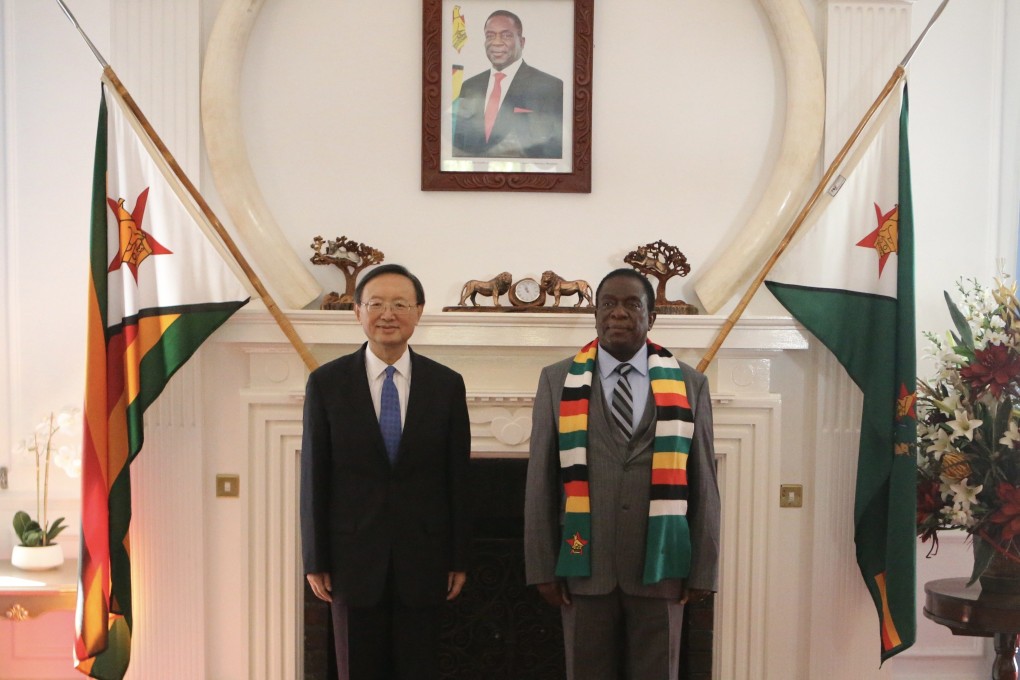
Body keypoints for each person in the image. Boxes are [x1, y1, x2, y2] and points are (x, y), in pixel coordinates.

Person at [524, 268, 721, 679]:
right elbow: (540, 482)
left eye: (632, 304)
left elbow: (703, 479)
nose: (618, 313)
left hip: (662, 564)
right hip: (583, 564)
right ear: (595, 314)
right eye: (608, 304)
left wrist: (703, 568)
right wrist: (542, 566)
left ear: (652, 316)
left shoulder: (690, 384)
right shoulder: (556, 380)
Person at [300, 264, 471, 680]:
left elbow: (458, 480)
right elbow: (313, 477)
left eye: (400, 304)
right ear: (358, 311)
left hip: (425, 560)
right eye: (376, 303)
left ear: (419, 311)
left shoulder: (446, 385)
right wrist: (315, 557)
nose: (388, 314)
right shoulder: (327, 383)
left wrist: (459, 556)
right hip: (351, 561)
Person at [452, 9, 564, 159]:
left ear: (522, 42)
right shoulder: (469, 86)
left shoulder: (550, 87)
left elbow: (554, 150)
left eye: (506, 35)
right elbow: (459, 147)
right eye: (490, 36)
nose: (496, 42)